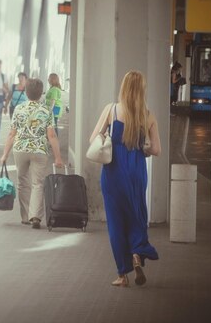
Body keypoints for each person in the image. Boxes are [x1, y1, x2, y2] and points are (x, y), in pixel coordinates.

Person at [89, 70, 161, 287]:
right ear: (142, 90)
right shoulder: (148, 115)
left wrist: (110, 137)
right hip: (137, 170)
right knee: (136, 213)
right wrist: (142, 148)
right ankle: (137, 252)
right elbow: (156, 149)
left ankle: (122, 274)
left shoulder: (111, 110)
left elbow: (93, 138)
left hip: (113, 171)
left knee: (116, 221)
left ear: (123, 88)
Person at [0, 78, 64, 229]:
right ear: (41, 93)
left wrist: (4, 155)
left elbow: (11, 134)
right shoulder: (46, 110)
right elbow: (52, 136)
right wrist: (58, 157)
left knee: (22, 182)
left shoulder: (19, 109)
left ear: (26, 93)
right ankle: (35, 216)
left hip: (20, 149)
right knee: (37, 183)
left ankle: (25, 217)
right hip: (39, 150)